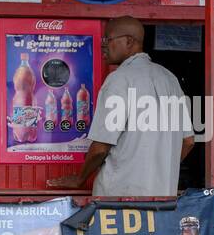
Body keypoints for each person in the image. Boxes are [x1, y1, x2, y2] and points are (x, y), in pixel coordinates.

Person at [48, 16, 194, 197]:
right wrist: (162, 170)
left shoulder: (119, 79)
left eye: (107, 39)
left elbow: (100, 147)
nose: (103, 46)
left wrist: (80, 178)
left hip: (120, 198)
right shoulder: (170, 79)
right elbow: (188, 141)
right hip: (163, 198)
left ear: (129, 41)